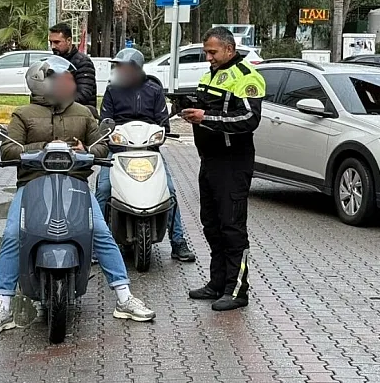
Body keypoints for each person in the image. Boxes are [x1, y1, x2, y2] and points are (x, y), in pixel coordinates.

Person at [0, 56, 155, 333]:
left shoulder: (84, 113)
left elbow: (101, 147)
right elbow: (9, 150)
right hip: (33, 184)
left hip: (75, 183)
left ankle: (124, 296)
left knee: (100, 231)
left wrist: (84, 149)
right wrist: (48, 146)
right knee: (13, 233)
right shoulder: (23, 114)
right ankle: (3, 305)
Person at [179, 27, 265, 312]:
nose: (208, 57)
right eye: (206, 51)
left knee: (232, 227)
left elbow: (249, 118)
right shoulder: (210, 75)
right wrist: (191, 109)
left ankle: (237, 289)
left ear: (229, 49)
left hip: (233, 162)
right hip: (210, 160)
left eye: (212, 52)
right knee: (212, 225)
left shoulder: (247, 77)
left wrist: (207, 117)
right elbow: (207, 109)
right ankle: (217, 283)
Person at [96, 47, 197, 262]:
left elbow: (163, 123)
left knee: (168, 191)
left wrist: (159, 133)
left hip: (148, 151)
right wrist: (108, 134)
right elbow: (104, 121)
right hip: (118, 150)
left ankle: (178, 241)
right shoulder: (113, 90)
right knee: (103, 189)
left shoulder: (154, 90)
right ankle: (98, 244)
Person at [48, 22, 97, 112]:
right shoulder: (52, 62)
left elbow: (83, 95)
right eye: (50, 42)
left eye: (57, 42)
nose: (53, 46)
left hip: (80, 115)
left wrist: (57, 102)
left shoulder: (83, 62)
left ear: (69, 40)